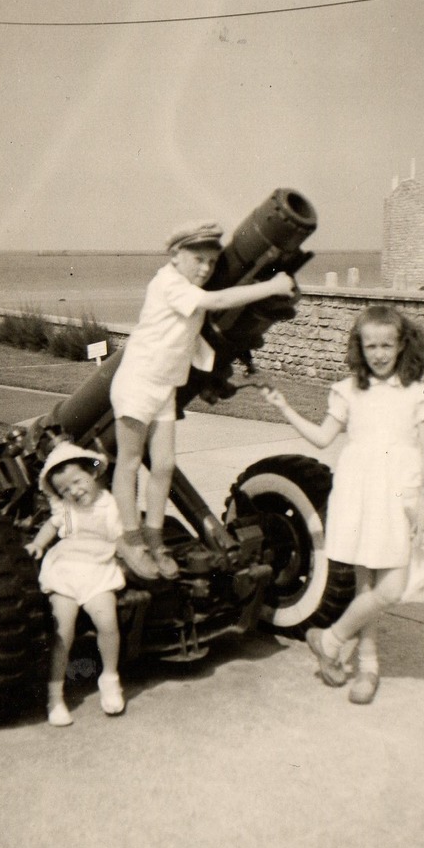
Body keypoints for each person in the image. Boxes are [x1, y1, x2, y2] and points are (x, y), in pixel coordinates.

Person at [263, 303, 424, 704]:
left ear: (401, 346)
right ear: (359, 348)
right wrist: (285, 407)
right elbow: (324, 438)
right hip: (361, 497)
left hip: (401, 497)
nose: (379, 354)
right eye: (371, 345)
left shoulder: (418, 393)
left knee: (393, 587)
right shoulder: (347, 391)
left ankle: (331, 638)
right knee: (365, 585)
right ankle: (367, 668)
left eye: (387, 345)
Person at [110, 219, 296, 580]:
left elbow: (193, 337)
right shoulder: (168, 283)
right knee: (130, 463)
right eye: (199, 259)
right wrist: (272, 286)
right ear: (176, 256)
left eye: (212, 261)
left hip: (164, 388)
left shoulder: (184, 285)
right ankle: (129, 539)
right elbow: (218, 300)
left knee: (163, 465)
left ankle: (154, 537)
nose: (207, 268)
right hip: (136, 385)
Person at [25, 441, 126, 727]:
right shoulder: (68, 509)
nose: (74, 491)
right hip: (67, 569)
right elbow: (53, 526)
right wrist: (38, 544)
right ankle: (55, 695)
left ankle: (109, 678)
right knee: (63, 631)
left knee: (107, 623)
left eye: (78, 482)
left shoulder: (109, 505)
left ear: (92, 474)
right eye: (66, 489)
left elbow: (121, 537)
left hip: (98, 570)